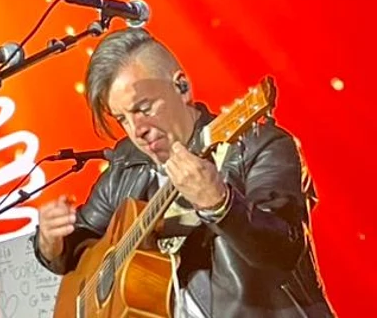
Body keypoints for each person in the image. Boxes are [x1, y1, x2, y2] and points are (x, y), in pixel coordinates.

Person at [34, 28, 335, 316]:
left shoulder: (257, 146)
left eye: (144, 108)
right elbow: (80, 245)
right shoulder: (126, 166)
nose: (137, 130)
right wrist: (51, 242)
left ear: (182, 87)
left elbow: (283, 251)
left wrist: (221, 205)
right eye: (122, 118)